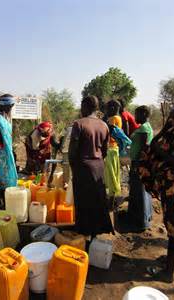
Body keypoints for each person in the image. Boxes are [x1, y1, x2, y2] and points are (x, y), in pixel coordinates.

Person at [139, 106, 174, 282]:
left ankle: (168, 273)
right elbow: (158, 139)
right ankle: (172, 262)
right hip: (169, 184)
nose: (173, 109)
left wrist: (160, 151)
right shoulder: (171, 129)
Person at [69, 95, 114, 240]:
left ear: (85, 106)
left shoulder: (79, 124)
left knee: (82, 201)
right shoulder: (104, 125)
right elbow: (105, 151)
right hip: (99, 166)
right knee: (97, 199)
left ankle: (84, 233)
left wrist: (74, 168)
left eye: (81, 106)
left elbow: (72, 152)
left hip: (83, 167)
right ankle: (96, 231)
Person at [127, 105, 153, 231]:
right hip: (139, 163)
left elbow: (144, 148)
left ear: (143, 114)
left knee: (140, 192)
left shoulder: (143, 128)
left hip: (139, 163)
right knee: (141, 191)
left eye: (136, 114)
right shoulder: (145, 127)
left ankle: (141, 222)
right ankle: (142, 217)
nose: (135, 116)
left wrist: (137, 164)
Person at [104, 100, 122, 204]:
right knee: (113, 174)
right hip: (114, 148)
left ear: (113, 108)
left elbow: (108, 134)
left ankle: (112, 199)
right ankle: (113, 198)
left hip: (111, 148)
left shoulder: (113, 119)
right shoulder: (117, 118)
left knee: (111, 175)